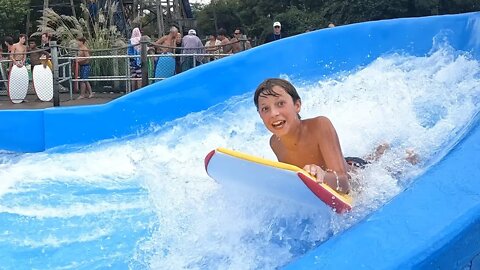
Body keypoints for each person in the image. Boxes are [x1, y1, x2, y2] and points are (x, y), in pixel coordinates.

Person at [254, 78, 351, 193]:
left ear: (297, 105)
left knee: (375, 157)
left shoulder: (320, 126)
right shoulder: (275, 143)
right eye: (265, 109)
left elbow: (344, 183)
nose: (274, 113)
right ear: (260, 115)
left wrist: (322, 176)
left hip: (356, 173)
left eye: (280, 103)